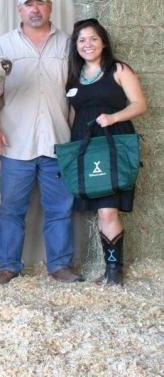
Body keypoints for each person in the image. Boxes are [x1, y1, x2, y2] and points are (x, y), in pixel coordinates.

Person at [0, 0, 84, 286]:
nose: (34, 9)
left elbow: (77, 92)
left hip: (58, 140)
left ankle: (60, 266)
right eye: (28, 5)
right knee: (11, 209)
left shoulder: (68, 44)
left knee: (60, 209)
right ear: (20, 10)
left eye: (40, 4)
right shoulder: (3, 46)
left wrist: (76, 133)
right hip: (15, 141)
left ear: (50, 7)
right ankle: (8, 266)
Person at [66, 18, 147, 285]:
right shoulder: (73, 76)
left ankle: (114, 274)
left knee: (108, 211)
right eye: (81, 40)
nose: (87, 44)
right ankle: (110, 271)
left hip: (113, 142)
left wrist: (112, 118)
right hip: (87, 146)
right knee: (101, 210)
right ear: (75, 45)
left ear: (103, 42)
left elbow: (139, 104)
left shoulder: (118, 69)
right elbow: (73, 114)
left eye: (93, 39)